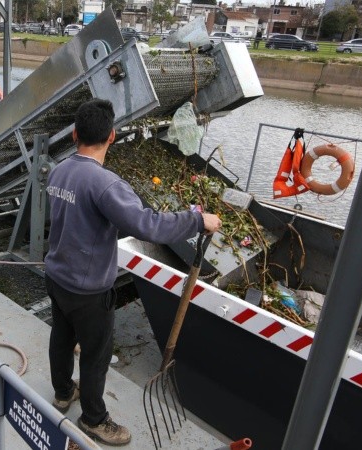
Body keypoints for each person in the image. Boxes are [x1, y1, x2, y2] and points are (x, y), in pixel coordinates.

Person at [43, 99, 221, 446]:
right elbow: (147, 226)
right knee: (95, 355)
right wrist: (197, 220)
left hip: (57, 277)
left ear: (75, 134)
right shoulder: (106, 184)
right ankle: (94, 419)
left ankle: (63, 392)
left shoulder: (59, 170)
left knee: (61, 337)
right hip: (88, 291)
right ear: (111, 136)